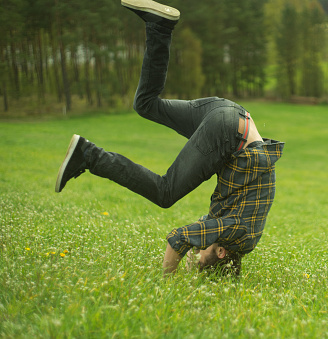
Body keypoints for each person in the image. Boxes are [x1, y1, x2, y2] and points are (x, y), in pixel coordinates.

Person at [55, 0, 284, 276]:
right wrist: (169, 284)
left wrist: (201, 260)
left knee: (146, 104)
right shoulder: (237, 232)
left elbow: (198, 235)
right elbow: (178, 239)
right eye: (203, 254)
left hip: (231, 115)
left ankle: (159, 27)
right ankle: (88, 154)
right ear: (221, 251)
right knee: (164, 193)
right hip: (228, 134)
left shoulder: (239, 235)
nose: (198, 252)